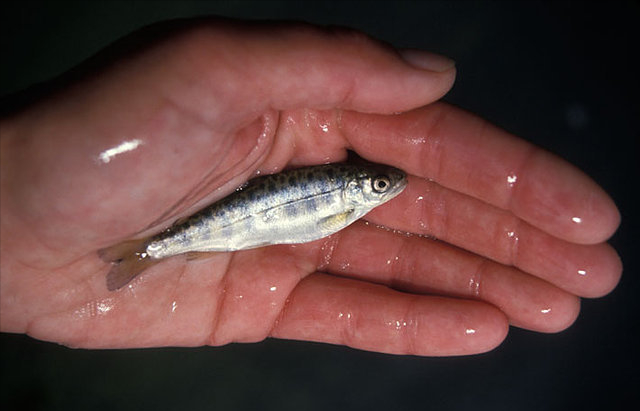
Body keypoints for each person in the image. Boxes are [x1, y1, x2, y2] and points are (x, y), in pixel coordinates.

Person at [0, 19, 621, 356]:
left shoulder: (349, 200)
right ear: (360, 186)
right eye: (377, 183)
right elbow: (322, 218)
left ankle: (152, 248)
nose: (384, 189)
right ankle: (151, 248)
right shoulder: (347, 201)